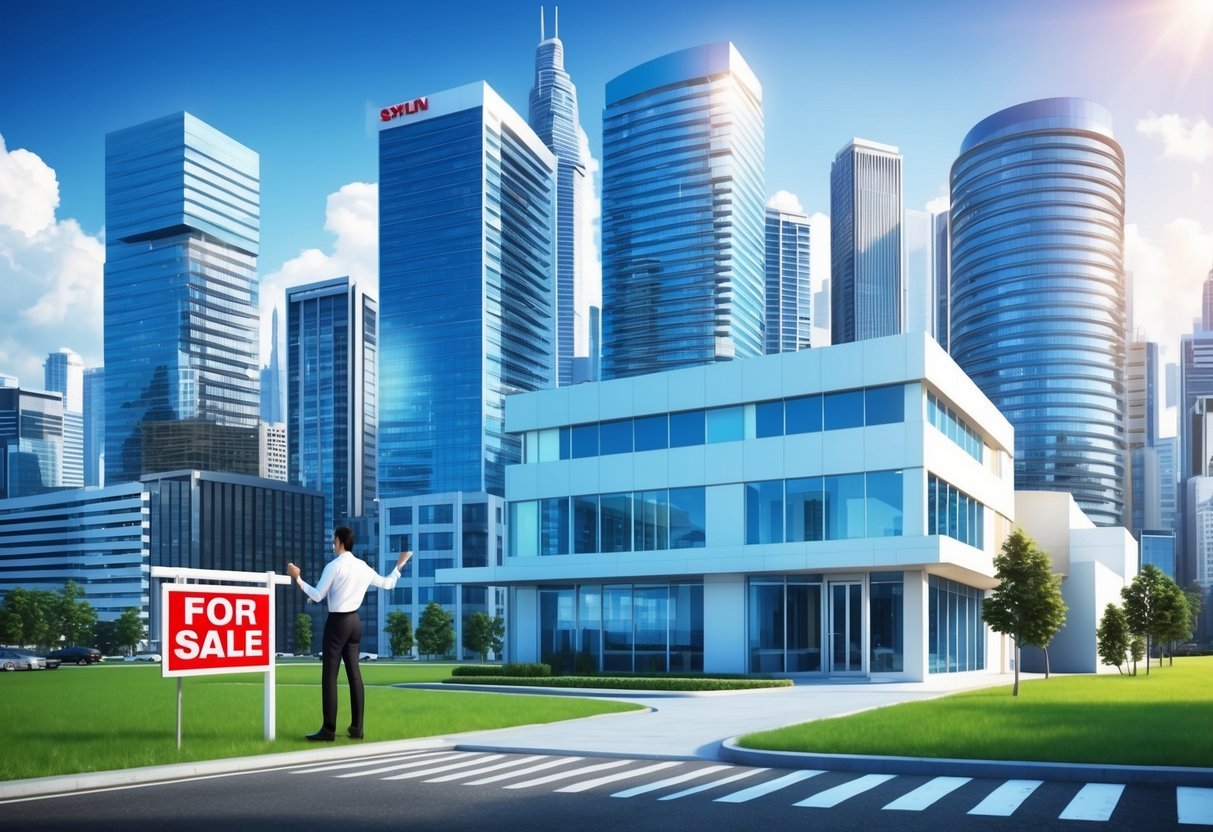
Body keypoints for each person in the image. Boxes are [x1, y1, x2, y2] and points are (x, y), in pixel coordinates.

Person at [287, 526, 412, 741]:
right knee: (354, 674)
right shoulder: (363, 567)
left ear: (340, 541)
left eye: (334, 539)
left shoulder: (334, 566)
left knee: (330, 676)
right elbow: (388, 584)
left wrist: (297, 578)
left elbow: (318, 595)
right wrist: (399, 565)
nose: (332, 543)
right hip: (355, 623)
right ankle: (357, 728)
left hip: (337, 624)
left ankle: (328, 730)